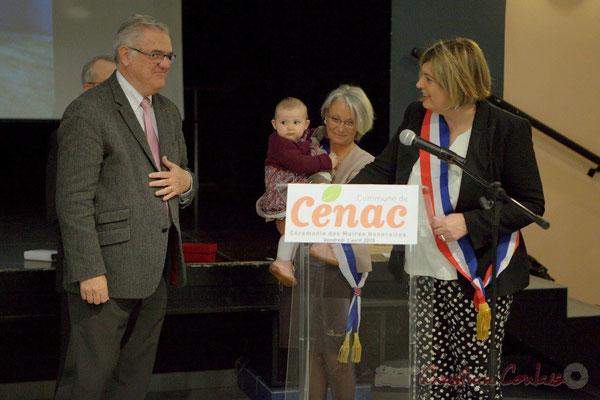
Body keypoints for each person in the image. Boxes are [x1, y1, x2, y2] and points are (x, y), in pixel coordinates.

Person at [351, 38, 545, 399]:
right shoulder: (416, 116)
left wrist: (469, 223)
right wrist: (334, 200)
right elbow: (384, 167)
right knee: (430, 379)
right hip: (421, 268)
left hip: (477, 275)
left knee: (473, 384)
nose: (419, 85)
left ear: (456, 81)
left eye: (428, 78)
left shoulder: (505, 128)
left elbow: (530, 203)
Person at [54, 14, 197, 400]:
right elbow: (73, 200)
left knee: (133, 381)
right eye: (156, 54)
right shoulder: (89, 111)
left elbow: (181, 175)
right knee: (86, 382)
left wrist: (187, 183)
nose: (165, 63)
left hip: (156, 269)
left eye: (169, 55)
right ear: (126, 55)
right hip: (106, 275)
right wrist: (88, 270)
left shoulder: (167, 111)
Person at [280, 84, 375, 400]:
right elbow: (282, 192)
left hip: (340, 272)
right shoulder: (305, 151)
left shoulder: (367, 164)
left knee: (337, 358)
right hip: (304, 268)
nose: (341, 127)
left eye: (350, 122)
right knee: (310, 355)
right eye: (335, 119)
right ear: (323, 117)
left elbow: (355, 220)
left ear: (361, 125)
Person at [45, 54, 116, 397]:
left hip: (123, 271)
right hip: (84, 273)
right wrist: (87, 265)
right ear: (88, 89)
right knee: (80, 374)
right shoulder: (74, 128)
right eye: (109, 85)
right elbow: (61, 208)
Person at [256, 97, 337, 287]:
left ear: (305, 124)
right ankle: (319, 244)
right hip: (283, 191)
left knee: (297, 225)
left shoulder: (301, 137)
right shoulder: (279, 143)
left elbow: (310, 136)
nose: (290, 127)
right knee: (319, 194)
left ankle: (283, 261)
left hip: (293, 190)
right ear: (275, 125)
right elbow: (300, 164)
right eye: (284, 123)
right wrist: (327, 162)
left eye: (296, 122)